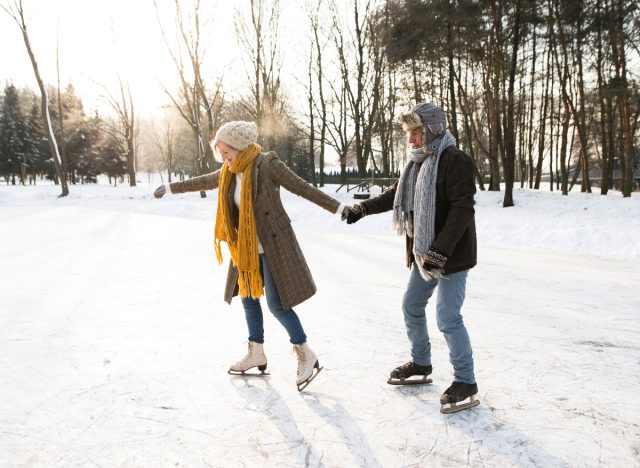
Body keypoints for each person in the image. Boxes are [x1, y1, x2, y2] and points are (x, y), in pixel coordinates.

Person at [154, 121, 345, 391]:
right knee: (247, 298)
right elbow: (204, 180)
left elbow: (302, 187)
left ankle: (305, 353)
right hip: (245, 249)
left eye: (225, 151)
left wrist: (338, 208)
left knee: (277, 305)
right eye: (219, 152)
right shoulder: (228, 172)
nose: (223, 157)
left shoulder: (267, 165)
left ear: (238, 146)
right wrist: (170, 187)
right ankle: (256, 352)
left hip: (273, 246)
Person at [343, 103, 479, 413]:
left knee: (447, 317)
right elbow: (396, 194)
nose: (411, 140)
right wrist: (362, 209)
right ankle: (421, 363)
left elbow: (462, 211)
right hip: (423, 254)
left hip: (452, 256)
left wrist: (439, 251)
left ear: (431, 130)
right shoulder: (417, 164)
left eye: (415, 132)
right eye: (409, 133)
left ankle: (466, 380)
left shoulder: (455, 161)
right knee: (411, 305)